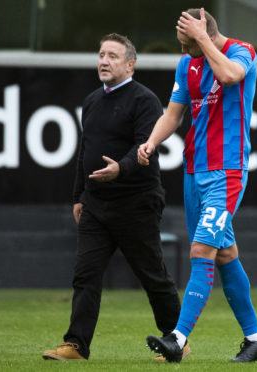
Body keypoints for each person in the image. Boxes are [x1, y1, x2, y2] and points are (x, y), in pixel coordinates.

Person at [42, 33, 187, 361]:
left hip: (137, 201)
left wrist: (120, 169)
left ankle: (176, 339)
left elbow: (144, 146)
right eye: (101, 55)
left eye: (113, 56)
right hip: (96, 203)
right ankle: (76, 345)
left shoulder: (144, 100)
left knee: (152, 274)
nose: (104, 61)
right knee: (85, 273)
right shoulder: (92, 100)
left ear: (130, 65)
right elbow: (85, 152)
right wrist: (79, 195)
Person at [138, 8, 257, 363]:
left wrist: (202, 41)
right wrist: (152, 142)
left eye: (189, 44)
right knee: (225, 255)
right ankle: (255, 340)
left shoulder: (243, 52)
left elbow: (229, 76)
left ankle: (177, 340)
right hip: (195, 171)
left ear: (206, 36)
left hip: (228, 172)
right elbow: (173, 113)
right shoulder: (187, 65)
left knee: (201, 252)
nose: (185, 53)